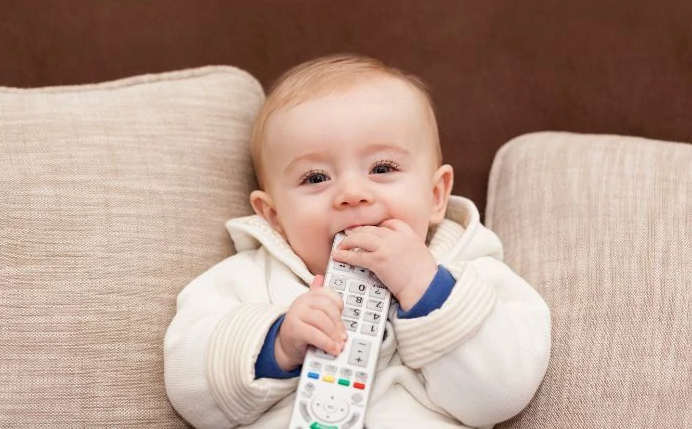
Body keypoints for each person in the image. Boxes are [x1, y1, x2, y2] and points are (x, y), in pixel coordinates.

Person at [164, 54, 551, 428]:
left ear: (436, 196)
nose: (351, 193)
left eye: (381, 168)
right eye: (315, 178)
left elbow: (503, 392)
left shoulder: (474, 274)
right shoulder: (247, 278)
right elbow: (189, 386)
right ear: (274, 216)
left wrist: (427, 288)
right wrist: (276, 345)